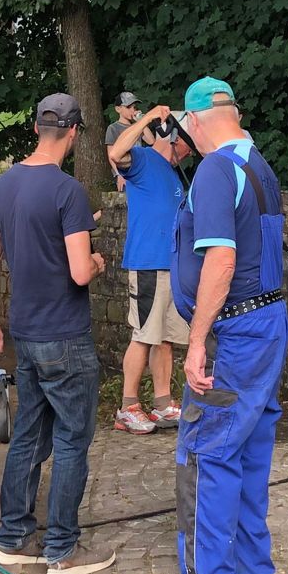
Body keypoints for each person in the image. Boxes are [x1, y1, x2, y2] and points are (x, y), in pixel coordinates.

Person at [154, 76, 288, 574]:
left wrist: (194, 342)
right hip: (268, 324)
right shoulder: (260, 166)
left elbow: (221, 261)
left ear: (196, 120)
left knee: (207, 452)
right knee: (251, 449)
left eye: (185, 127)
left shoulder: (215, 170)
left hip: (231, 334)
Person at [0, 93, 115, 574]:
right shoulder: (68, 191)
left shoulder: (4, 185)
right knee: (73, 441)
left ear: (37, 128)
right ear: (74, 133)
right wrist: (96, 261)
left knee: (28, 438)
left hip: (26, 333)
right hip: (66, 337)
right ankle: (61, 551)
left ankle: (12, 540)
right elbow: (80, 272)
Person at [106, 102, 191, 434]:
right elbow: (116, 151)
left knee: (165, 339)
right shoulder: (143, 160)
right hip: (147, 265)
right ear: (171, 136)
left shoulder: (171, 171)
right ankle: (127, 407)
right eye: (187, 145)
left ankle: (163, 403)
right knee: (143, 336)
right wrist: (149, 117)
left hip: (171, 266)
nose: (188, 153)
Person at [105, 92, 140, 189]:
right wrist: (118, 175)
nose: (132, 110)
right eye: (128, 107)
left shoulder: (137, 127)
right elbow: (111, 155)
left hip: (140, 170)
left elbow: (151, 141)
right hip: (125, 172)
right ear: (118, 109)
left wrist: (141, 122)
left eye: (134, 107)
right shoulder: (113, 128)